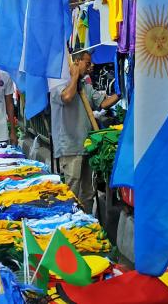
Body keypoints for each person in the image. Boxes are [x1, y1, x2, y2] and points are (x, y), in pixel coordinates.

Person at [50, 51, 119, 213]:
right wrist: (74, 76)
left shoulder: (85, 86)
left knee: (88, 192)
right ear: (76, 62)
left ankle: (87, 224)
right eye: (87, 63)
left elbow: (103, 103)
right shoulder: (58, 85)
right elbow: (67, 97)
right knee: (72, 191)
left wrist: (122, 92)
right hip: (69, 148)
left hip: (87, 147)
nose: (91, 66)